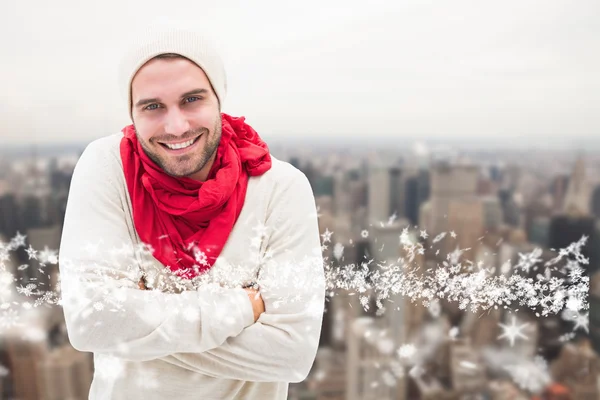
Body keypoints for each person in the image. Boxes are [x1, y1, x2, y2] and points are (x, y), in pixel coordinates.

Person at [58, 25, 325, 400]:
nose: (176, 126)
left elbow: (292, 354)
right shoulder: (106, 167)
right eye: (153, 106)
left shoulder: (280, 187)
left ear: (219, 99)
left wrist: (137, 327)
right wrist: (240, 307)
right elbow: (92, 321)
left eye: (191, 100)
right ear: (132, 113)